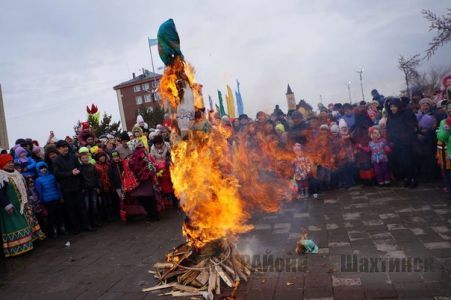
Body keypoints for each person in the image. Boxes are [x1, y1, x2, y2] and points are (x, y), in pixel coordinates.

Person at [0, 154, 45, 257]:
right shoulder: (1, 176)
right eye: (8, 162)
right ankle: (18, 247)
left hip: (23, 204)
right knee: (17, 226)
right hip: (10, 208)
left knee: (27, 222)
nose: (11, 164)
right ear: (2, 164)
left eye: (12, 162)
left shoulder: (17, 173)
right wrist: (7, 205)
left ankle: (30, 242)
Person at [53, 140, 90, 233]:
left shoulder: (73, 157)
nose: (65, 148)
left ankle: (86, 225)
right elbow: (57, 174)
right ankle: (76, 228)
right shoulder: (56, 161)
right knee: (71, 209)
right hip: (66, 188)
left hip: (77, 186)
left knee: (81, 207)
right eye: (62, 147)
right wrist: (70, 173)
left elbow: (80, 167)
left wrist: (78, 171)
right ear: (58, 149)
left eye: (66, 146)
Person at [385, 97, 419, 188]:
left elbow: (412, 127)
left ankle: (413, 179)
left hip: (407, 143)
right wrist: (390, 140)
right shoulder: (391, 117)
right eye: (391, 107)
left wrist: (405, 137)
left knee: (409, 162)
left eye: (394, 106)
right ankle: (407, 178)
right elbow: (389, 130)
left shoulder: (406, 114)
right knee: (402, 162)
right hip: (397, 144)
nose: (392, 109)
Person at [128, 143, 160, 221]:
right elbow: (150, 166)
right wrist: (153, 170)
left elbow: (131, 167)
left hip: (139, 182)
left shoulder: (132, 158)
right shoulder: (143, 155)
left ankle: (151, 215)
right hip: (146, 180)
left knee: (144, 199)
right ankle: (154, 215)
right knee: (150, 199)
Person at [34, 161, 64, 238]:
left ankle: (61, 229)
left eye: (44, 168)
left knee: (59, 214)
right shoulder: (38, 180)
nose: (43, 169)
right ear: (38, 170)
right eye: (41, 168)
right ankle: (54, 231)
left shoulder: (52, 176)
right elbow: (39, 192)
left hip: (56, 198)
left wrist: (60, 196)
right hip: (47, 201)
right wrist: (41, 201)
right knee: (51, 216)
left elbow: (57, 187)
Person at [79, 152, 100, 228]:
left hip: (93, 188)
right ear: (80, 159)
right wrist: (82, 188)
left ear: (88, 158)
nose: (85, 159)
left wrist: (97, 187)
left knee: (94, 206)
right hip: (85, 190)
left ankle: (95, 222)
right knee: (87, 207)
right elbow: (79, 180)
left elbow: (96, 177)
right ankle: (88, 224)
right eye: (83, 158)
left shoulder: (92, 166)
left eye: (86, 157)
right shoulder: (80, 168)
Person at [95, 151, 114, 221]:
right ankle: (106, 216)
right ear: (98, 158)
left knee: (110, 201)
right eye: (100, 157)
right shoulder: (95, 166)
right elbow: (96, 177)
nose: (102, 158)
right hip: (101, 186)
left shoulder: (108, 164)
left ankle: (111, 215)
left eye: (103, 156)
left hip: (109, 185)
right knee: (104, 202)